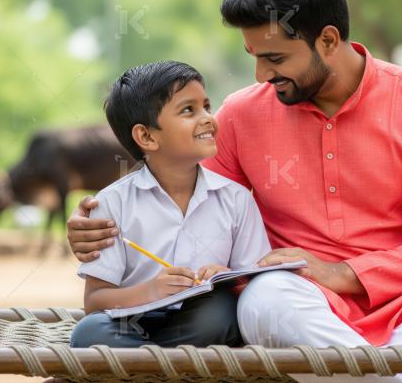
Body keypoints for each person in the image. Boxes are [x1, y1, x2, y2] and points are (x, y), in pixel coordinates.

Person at [67, 0, 402, 380]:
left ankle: (362, 374)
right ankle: (399, 374)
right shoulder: (240, 115)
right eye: (254, 57)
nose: (261, 75)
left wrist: (343, 272)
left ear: (329, 40)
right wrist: (102, 224)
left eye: (275, 57)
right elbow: (192, 208)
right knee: (263, 300)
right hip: (300, 308)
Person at [69, 61, 270, 348]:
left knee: (222, 312)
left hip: (201, 321)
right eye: (188, 110)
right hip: (133, 323)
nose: (208, 119)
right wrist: (152, 290)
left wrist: (226, 278)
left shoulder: (236, 199)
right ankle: (172, 367)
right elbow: (95, 301)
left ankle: (145, 369)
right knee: (89, 332)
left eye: (206, 106)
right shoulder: (112, 204)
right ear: (147, 136)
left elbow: (256, 287)